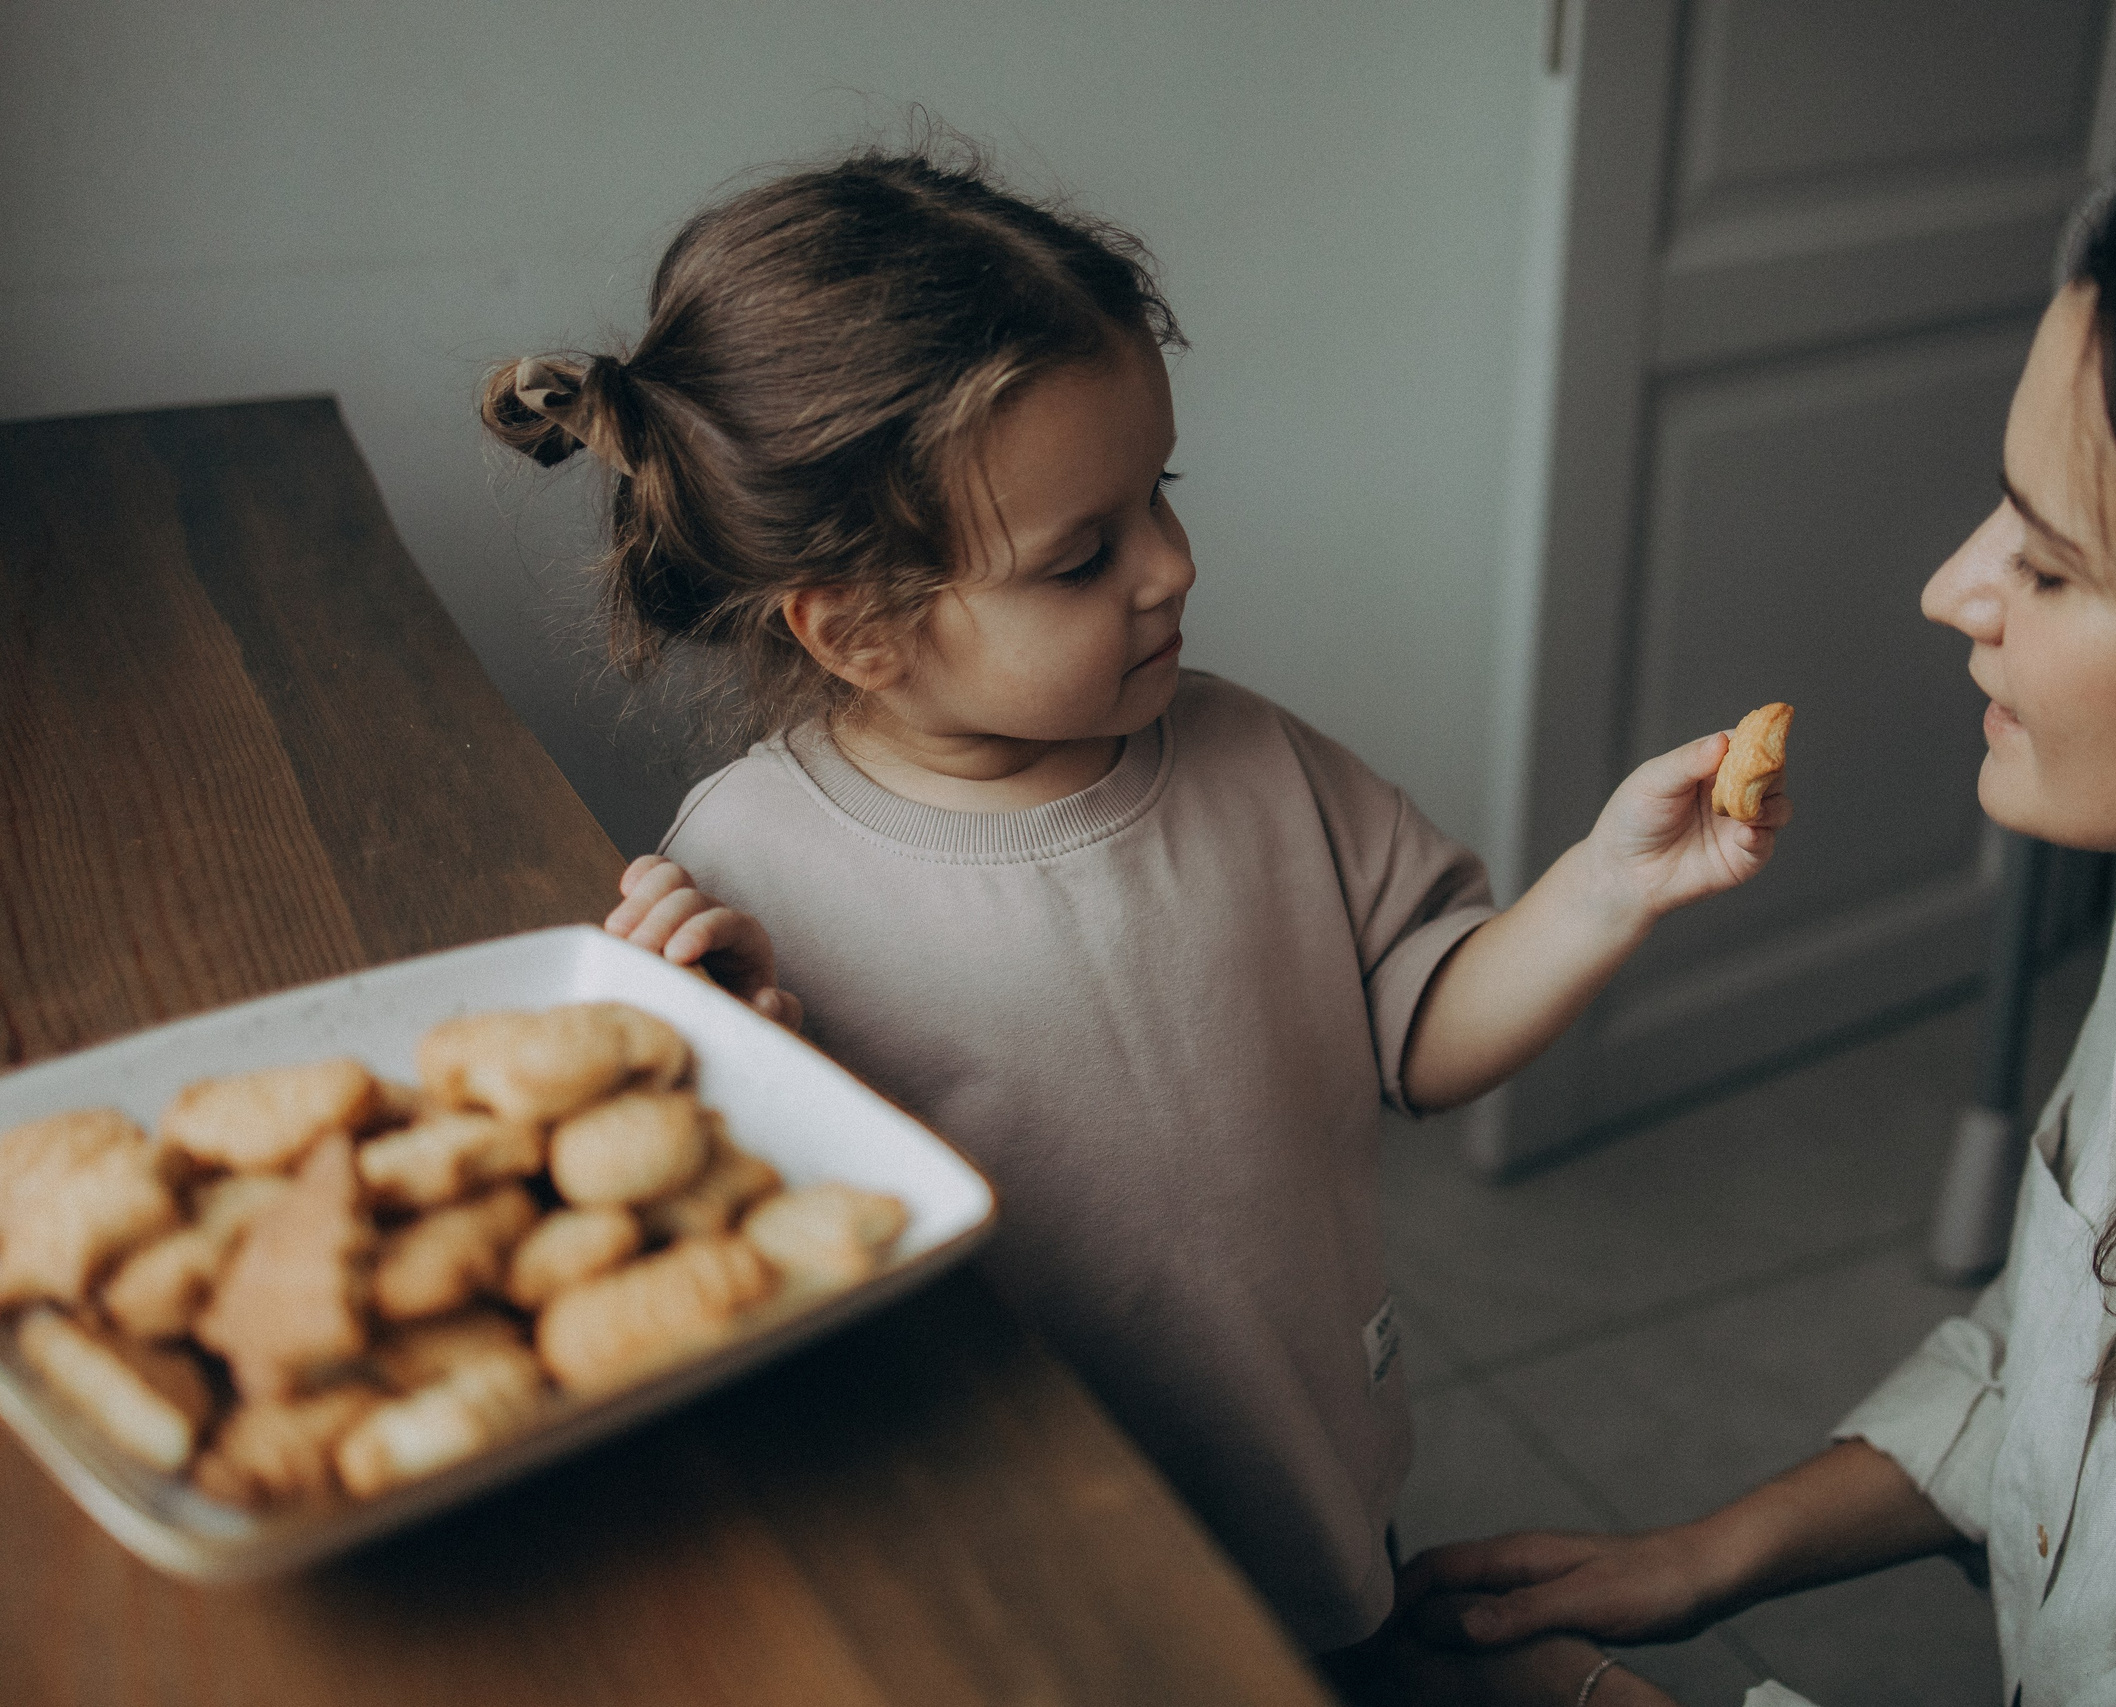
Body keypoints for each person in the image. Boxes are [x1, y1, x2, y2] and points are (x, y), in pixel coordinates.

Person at [478, 146, 1790, 1672]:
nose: (1171, 564)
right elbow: (752, 1238)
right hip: (1011, 1547)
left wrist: (1606, 889)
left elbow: (1425, 1031)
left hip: (1304, 1474)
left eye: (1157, 494)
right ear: (860, 633)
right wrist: (711, 1035)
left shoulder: (1252, 761)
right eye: (1082, 556)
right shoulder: (752, 869)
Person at [1394, 134, 2116, 1705]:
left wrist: (1582, 1698)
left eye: (2055, 566)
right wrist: (1704, 1557)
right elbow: (2056, 1369)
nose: (1953, 589)